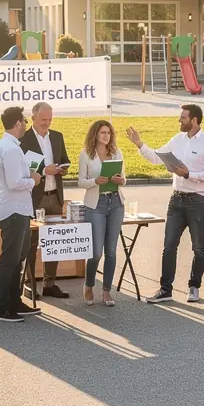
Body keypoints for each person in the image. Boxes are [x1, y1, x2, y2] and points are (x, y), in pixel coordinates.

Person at [125, 104, 204, 304]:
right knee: (169, 247)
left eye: (183, 117)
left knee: (198, 247)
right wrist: (139, 144)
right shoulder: (177, 140)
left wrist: (188, 174)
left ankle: (194, 286)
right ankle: (165, 290)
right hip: (177, 200)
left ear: (194, 120)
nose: (179, 120)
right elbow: (156, 158)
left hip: (198, 201)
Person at [0, 106, 42, 322]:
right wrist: (33, 180)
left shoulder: (8, 146)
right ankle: (2, 308)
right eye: (25, 121)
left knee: (17, 257)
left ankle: (14, 301)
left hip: (17, 209)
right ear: (18, 122)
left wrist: (26, 173)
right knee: (10, 260)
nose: (26, 125)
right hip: (13, 210)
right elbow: (14, 183)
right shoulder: (10, 149)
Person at [21, 101, 71, 299]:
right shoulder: (23, 139)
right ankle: (30, 283)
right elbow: (21, 168)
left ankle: (50, 284)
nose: (47, 124)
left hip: (55, 197)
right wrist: (43, 170)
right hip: (34, 197)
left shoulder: (57, 137)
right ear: (33, 117)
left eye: (50, 120)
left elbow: (64, 158)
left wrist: (63, 168)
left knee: (54, 243)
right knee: (31, 242)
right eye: (43, 120)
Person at [78, 119, 125, 306]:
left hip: (115, 203)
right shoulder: (86, 154)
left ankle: (106, 291)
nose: (106, 136)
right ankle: (89, 285)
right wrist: (96, 181)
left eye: (109, 132)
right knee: (96, 252)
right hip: (96, 204)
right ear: (95, 134)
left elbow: (124, 178)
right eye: (103, 132)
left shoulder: (116, 152)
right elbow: (81, 181)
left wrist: (120, 180)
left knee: (111, 252)